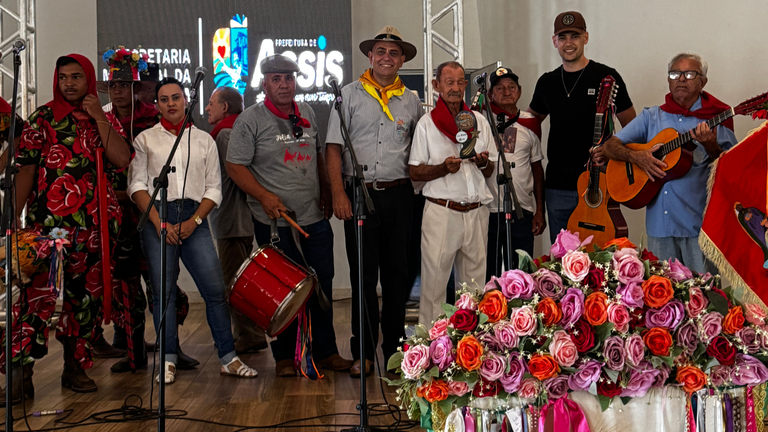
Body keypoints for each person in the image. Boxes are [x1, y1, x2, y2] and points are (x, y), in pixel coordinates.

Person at [1, 54, 133, 400]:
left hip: (95, 228)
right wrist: (12, 218)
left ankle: (75, 367)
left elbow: (122, 159)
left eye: (76, 77)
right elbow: (26, 169)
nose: (69, 83)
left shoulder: (103, 118)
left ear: (88, 80)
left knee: (85, 301)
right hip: (48, 229)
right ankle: (20, 374)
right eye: (63, 77)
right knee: (35, 298)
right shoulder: (42, 118)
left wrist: (99, 116)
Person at [227, 55, 352, 377]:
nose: (284, 84)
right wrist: (263, 196)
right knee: (283, 289)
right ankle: (284, 357)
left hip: (314, 218)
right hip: (274, 223)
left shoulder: (307, 111)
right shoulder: (250, 120)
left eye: (289, 78)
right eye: (277, 79)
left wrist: (326, 189)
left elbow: (319, 154)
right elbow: (235, 165)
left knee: (322, 285)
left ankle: (326, 352)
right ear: (264, 84)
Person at [128, 77, 257, 384]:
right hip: (157, 217)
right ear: (157, 105)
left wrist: (194, 222)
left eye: (176, 97)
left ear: (186, 100)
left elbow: (214, 189)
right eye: (164, 99)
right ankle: (168, 360)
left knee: (214, 290)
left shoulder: (203, 140)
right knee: (164, 294)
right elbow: (136, 186)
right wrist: (159, 222)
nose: (171, 104)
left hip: (194, 217)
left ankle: (228, 358)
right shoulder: (145, 139)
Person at [325, 26, 423, 377]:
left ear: (402, 60)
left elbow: (419, 149)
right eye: (380, 51)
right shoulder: (348, 95)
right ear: (370, 56)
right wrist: (338, 193)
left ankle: (395, 352)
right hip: (359, 193)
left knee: (398, 276)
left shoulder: (411, 101)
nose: (386, 57)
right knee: (363, 277)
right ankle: (363, 353)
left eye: (394, 53)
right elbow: (333, 148)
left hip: (400, 194)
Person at [97, 56, 198, 372]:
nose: (118, 91)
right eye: (113, 85)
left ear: (137, 88)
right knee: (126, 288)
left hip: (156, 213)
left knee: (164, 284)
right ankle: (134, 354)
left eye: (124, 85)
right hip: (118, 217)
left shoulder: (155, 119)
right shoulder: (101, 121)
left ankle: (172, 350)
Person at [603, 53, 737, 273]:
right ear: (668, 80)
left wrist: (711, 146)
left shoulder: (715, 118)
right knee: (661, 291)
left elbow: (732, 171)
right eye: (675, 74)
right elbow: (610, 146)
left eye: (689, 74)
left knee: (705, 291)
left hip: (699, 227)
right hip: (659, 228)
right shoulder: (652, 117)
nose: (681, 79)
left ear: (703, 82)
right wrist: (636, 157)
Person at [527, 11, 636, 243]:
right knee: (561, 257)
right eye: (563, 37)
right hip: (557, 187)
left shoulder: (607, 77)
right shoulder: (547, 82)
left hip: (598, 185)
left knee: (600, 256)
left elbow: (633, 127)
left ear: (586, 37)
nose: (569, 43)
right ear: (554, 41)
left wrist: (614, 155)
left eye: (575, 36)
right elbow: (529, 123)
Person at [410, 61, 497, 326]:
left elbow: (491, 168)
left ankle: (468, 344)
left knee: (474, 289)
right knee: (434, 286)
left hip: (476, 211)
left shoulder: (479, 121)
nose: (456, 88)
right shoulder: (426, 124)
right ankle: (430, 346)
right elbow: (414, 171)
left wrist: (483, 163)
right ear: (436, 85)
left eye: (460, 82)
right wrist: (442, 169)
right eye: (449, 82)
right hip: (442, 211)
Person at [206, 86, 268, 354]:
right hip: (235, 220)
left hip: (233, 220)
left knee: (234, 282)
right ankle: (246, 333)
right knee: (237, 279)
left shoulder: (225, 135)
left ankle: (250, 335)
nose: (207, 108)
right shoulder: (232, 131)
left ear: (225, 108)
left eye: (211, 103)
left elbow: (239, 173)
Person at [484, 67, 545, 278]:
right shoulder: (482, 121)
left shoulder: (530, 123)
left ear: (519, 91)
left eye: (511, 87)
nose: (506, 92)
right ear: (490, 94)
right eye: (499, 88)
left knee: (521, 273)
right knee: (488, 272)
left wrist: (539, 211)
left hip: (521, 210)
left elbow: (537, 169)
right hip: (488, 211)